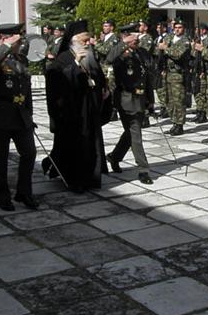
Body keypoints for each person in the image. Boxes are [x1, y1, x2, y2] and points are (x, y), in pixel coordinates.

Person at [45, 20, 109, 193]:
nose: (88, 44)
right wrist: (74, 64)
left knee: (91, 144)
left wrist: (105, 88)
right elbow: (56, 81)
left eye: (89, 41)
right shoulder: (63, 59)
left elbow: (98, 76)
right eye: (84, 41)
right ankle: (75, 180)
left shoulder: (89, 56)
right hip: (73, 112)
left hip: (89, 109)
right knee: (75, 146)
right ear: (73, 41)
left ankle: (91, 177)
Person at [0, 23, 38, 211]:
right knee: (1, 158)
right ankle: (3, 196)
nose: (20, 41)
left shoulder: (20, 59)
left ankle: (24, 192)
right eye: (16, 38)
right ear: (5, 38)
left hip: (20, 116)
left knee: (29, 153)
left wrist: (29, 115)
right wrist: (5, 45)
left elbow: (25, 89)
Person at [106, 31, 153, 184]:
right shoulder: (120, 53)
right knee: (135, 134)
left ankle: (114, 156)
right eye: (132, 37)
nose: (136, 39)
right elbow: (109, 58)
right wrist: (124, 43)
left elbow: (147, 78)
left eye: (137, 36)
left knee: (130, 134)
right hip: (126, 99)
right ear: (124, 38)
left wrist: (150, 100)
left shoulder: (142, 53)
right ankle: (143, 170)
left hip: (140, 99)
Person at [158, 19, 191, 135]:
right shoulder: (169, 38)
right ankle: (174, 122)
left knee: (178, 100)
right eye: (175, 27)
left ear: (184, 29)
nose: (177, 29)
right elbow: (159, 49)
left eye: (180, 27)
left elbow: (178, 55)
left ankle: (180, 124)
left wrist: (165, 48)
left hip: (178, 74)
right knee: (169, 99)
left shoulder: (185, 41)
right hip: (168, 73)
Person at [94, 19, 119, 121]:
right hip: (102, 66)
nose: (104, 28)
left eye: (107, 26)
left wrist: (96, 43)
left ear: (112, 27)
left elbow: (105, 51)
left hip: (109, 68)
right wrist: (100, 41)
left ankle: (113, 111)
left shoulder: (114, 38)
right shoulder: (104, 38)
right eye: (104, 26)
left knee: (111, 88)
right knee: (104, 88)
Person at [192, 23, 208, 123]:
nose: (196, 31)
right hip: (195, 68)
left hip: (203, 70)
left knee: (202, 92)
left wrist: (203, 70)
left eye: (198, 29)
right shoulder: (196, 41)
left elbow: (206, 56)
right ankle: (199, 111)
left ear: (204, 30)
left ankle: (203, 113)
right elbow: (193, 54)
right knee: (196, 91)